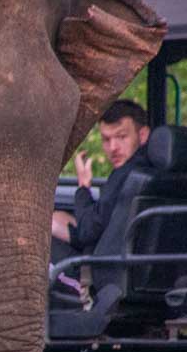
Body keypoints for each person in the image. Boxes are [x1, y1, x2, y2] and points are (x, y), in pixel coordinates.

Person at [52, 100, 154, 259]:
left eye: (121, 137)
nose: (113, 147)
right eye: (106, 139)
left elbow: (87, 231)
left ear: (142, 135)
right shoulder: (154, 171)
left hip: (108, 269)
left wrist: (83, 186)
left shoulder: (128, 174)